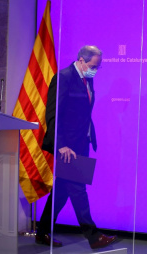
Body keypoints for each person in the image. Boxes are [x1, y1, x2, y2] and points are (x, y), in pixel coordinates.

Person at [36, 45, 117, 250]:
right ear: (81, 60)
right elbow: (53, 115)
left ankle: (42, 232)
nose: (95, 71)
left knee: (62, 190)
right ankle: (93, 236)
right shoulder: (63, 77)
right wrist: (61, 145)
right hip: (68, 147)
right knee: (78, 189)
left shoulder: (86, 78)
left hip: (82, 142)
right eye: (93, 66)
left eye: (98, 68)